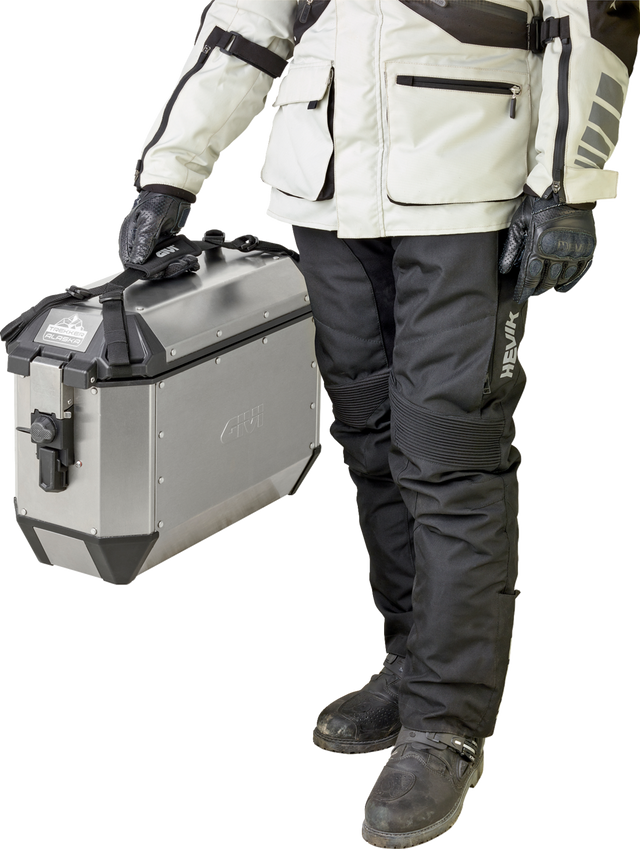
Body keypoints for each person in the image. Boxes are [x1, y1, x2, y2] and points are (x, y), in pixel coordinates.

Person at [117, 2, 638, 846]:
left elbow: (590, 22)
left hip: (466, 187)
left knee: (447, 450)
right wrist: (169, 173)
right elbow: (246, 24)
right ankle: (410, 659)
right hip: (326, 191)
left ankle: (447, 722)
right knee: (369, 438)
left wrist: (569, 187)